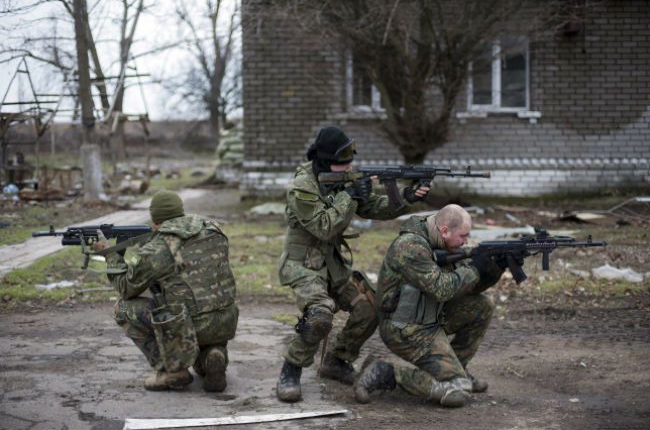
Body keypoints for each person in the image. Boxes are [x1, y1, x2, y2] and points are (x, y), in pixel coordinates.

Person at [276, 126, 430, 402]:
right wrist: (350, 195)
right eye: (342, 160)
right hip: (304, 266)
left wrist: (406, 198)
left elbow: (372, 208)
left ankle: (336, 360)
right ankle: (291, 370)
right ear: (323, 160)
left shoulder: (343, 179)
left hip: (332, 265)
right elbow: (323, 227)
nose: (349, 165)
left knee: (370, 306)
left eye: (351, 159)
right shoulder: (303, 187)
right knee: (320, 315)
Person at [354, 204, 505, 407]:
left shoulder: (444, 243)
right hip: (406, 329)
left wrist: (495, 268)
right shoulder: (410, 247)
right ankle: (385, 372)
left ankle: (456, 369)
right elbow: (441, 289)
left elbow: (467, 288)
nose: (465, 242)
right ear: (444, 230)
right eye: (463, 236)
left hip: (431, 317)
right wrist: (475, 269)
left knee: (482, 305)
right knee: (458, 392)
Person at [93, 190, 239, 392]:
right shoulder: (213, 229)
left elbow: (125, 288)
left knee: (123, 308)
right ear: (180, 211)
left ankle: (171, 371)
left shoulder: (157, 248)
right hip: (224, 321)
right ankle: (213, 356)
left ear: (154, 219)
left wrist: (109, 254)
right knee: (195, 303)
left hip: (186, 326)